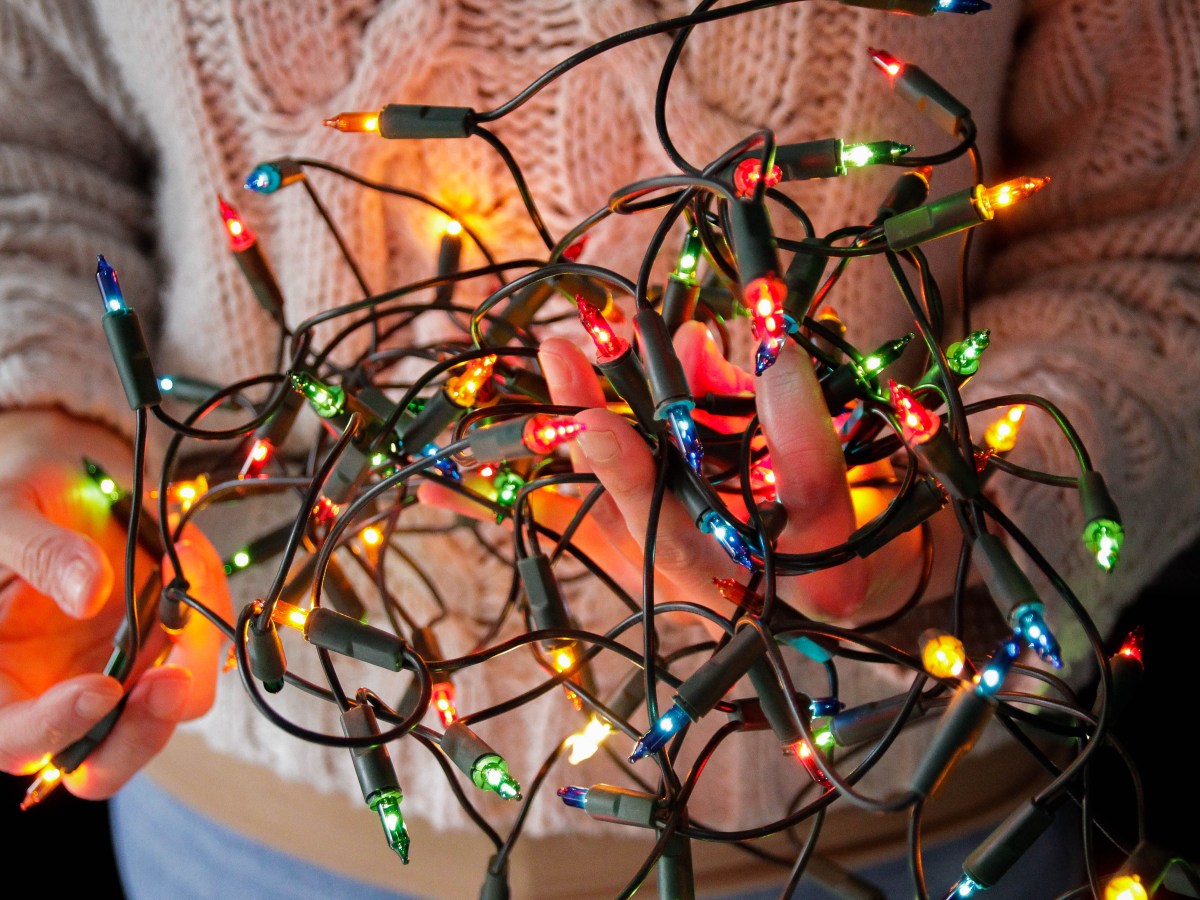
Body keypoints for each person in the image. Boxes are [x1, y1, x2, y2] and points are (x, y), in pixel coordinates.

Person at [0, 1, 1196, 897]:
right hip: (236, 840)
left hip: (905, 837)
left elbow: (1160, 246)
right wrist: (48, 430)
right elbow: (33, 157)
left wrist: (945, 533)